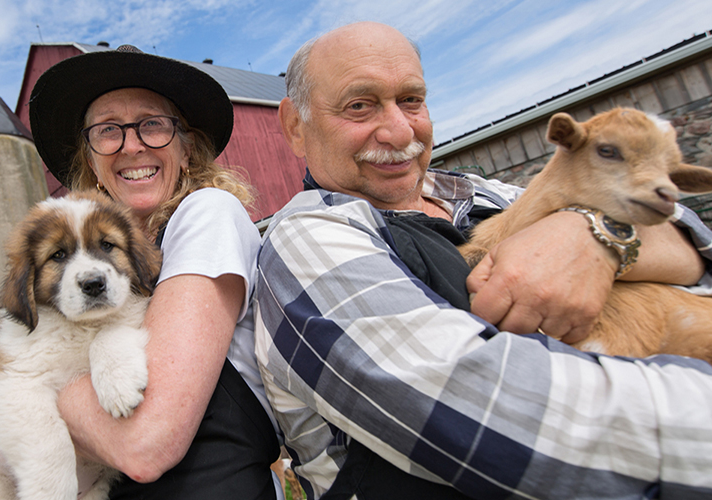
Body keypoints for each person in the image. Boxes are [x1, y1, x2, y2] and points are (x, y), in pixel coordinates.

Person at [255, 21, 712, 499]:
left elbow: (689, 232)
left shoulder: (491, 193)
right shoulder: (310, 238)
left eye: (411, 99)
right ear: (295, 126)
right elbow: (500, 419)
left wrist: (594, 236)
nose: (399, 130)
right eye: (359, 105)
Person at [28, 45, 281, 499]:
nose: (132, 144)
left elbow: (145, 442)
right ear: (92, 162)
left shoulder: (205, 214)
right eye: (108, 131)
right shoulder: (118, 261)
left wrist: (28, 390)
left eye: (152, 125)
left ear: (187, 151)